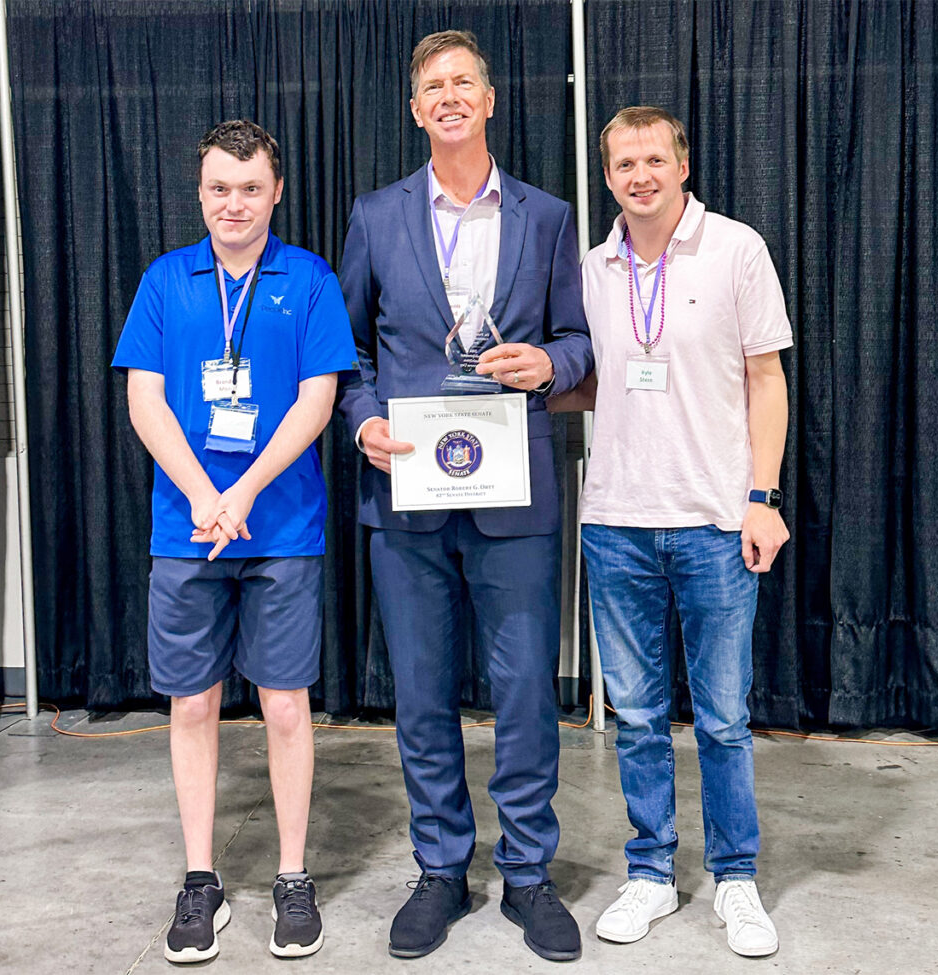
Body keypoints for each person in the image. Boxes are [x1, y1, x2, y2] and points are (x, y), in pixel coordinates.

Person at [337, 30, 593, 964]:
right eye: (432, 86)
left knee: (525, 691)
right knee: (421, 693)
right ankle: (441, 868)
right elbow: (347, 353)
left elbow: (581, 340)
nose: (448, 96)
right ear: (416, 110)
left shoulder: (548, 217)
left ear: (489, 100)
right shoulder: (375, 215)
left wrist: (549, 363)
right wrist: (363, 422)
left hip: (514, 492)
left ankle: (527, 873)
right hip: (407, 492)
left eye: (463, 83)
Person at [112, 120, 357, 963]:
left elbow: (318, 401)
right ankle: (200, 878)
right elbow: (145, 400)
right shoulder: (164, 280)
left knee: (285, 703)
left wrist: (244, 490)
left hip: (282, 527)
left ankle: (292, 875)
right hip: (188, 529)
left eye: (250, 188)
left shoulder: (311, 279)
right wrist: (203, 494)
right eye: (220, 188)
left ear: (276, 192)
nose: (234, 204)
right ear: (200, 192)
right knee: (192, 702)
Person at [576, 106, 791, 957]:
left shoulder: (736, 248)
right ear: (608, 177)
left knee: (724, 718)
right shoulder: (593, 267)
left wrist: (762, 497)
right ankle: (652, 872)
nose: (641, 176)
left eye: (654, 160)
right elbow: (595, 379)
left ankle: (735, 876)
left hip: (713, 522)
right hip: (616, 522)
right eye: (624, 164)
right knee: (635, 715)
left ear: (683, 165)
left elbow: (765, 378)